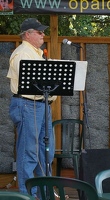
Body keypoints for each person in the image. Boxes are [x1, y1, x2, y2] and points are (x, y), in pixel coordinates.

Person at [7, 18, 57, 198]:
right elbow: (30, 83)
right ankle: (28, 194)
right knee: (29, 151)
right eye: (39, 32)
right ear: (27, 34)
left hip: (41, 105)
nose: (43, 34)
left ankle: (44, 192)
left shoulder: (36, 52)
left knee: (46, 151)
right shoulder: (23, 53)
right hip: (29, 104)